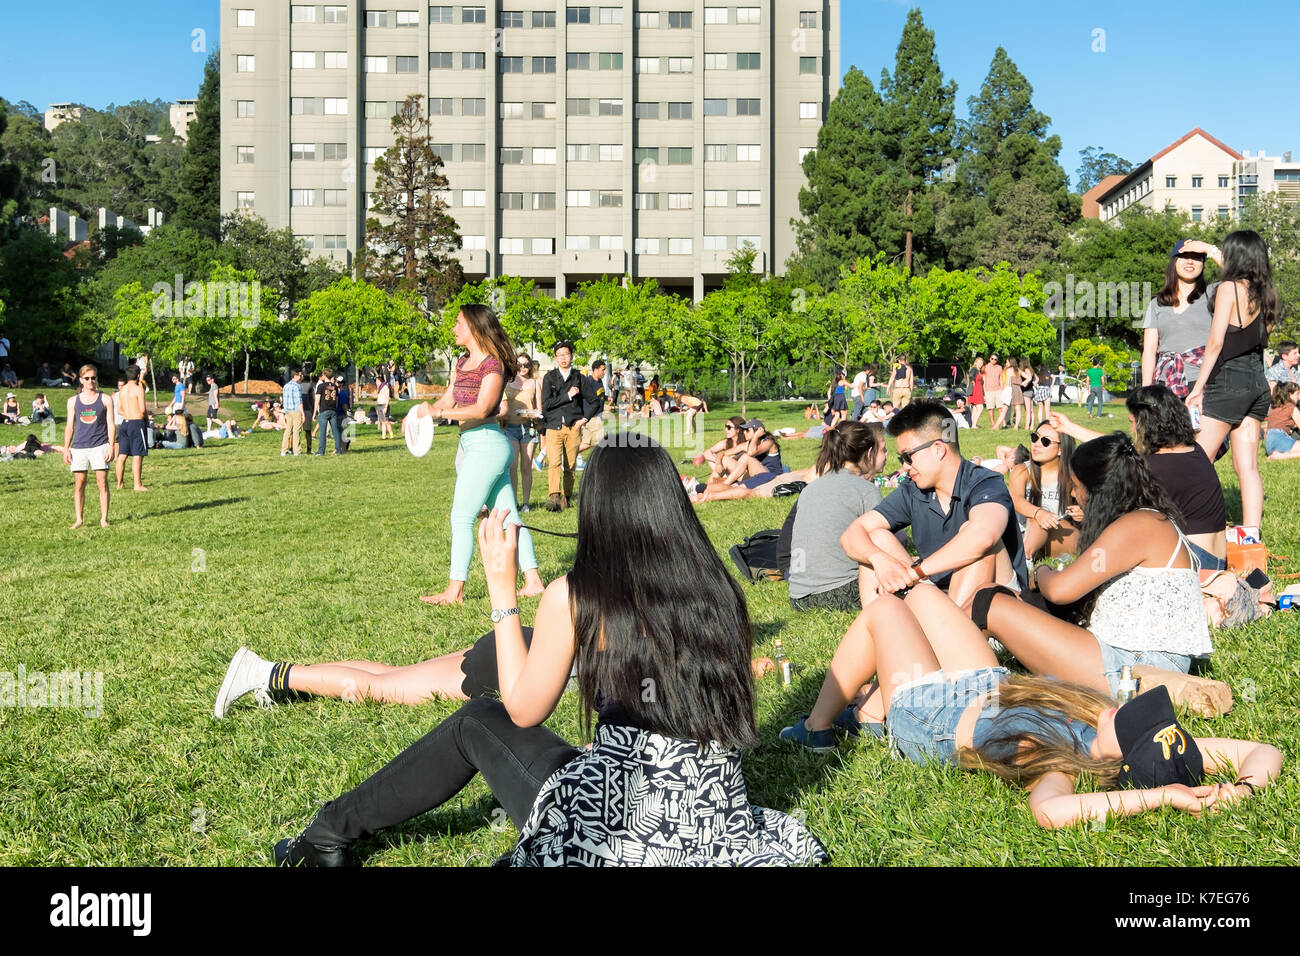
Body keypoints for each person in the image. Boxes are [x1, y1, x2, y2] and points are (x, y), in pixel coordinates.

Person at [241, 440, 827, 867]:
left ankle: (323, 839)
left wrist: (501, 590)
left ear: (597, 508)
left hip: (621, 831)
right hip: (712, 826)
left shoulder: (577, 596)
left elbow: (523, 711)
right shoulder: (719, 589)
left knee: (479, 718)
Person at [779, 587, 1280, 828]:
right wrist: (1243, 787)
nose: (1117, 710)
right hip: (989, 682)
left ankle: (817, 728)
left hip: (933, 715)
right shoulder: (1143, 742)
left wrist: (1163, 797)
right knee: (926, 597)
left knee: (885, 609)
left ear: (1120, 764)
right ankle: (868, 710)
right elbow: (1263, 750)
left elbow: (1052, 813)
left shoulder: (1060, 759)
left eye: (1125, 725)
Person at [971, 435, 1228, 711]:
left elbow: (1059, 590)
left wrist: (1041, 572)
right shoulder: (1148, 519)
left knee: (989, 603)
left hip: (1139, 669)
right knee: (1006, 597)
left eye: (1077, 486)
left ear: (1098, 490)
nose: (1072, 494)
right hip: (1133, 658)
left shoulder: (1140, 524)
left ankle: (968, 691)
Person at [414, 304, 546, 606]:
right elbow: (449, 396)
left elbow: (484, 408)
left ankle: (454, 592)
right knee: (509, 517)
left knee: (462, 516)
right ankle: (534, 581)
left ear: (474, 326)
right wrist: (427, 410)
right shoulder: (462, 362)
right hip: (475, 444)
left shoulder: (493, 365)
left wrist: (441, 413)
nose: (454, 328)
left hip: (487, 444)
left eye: (458, 323)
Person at [841, 400, 1029, 611]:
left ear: (938, 449)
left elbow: (983, 537)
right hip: (942, 594)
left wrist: (914, 572)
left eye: (908, 456)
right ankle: (880, 624)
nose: (904, 466)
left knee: (976, 539)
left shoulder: (984, 483)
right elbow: (852, 534)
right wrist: (879, 559)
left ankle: (951, 633)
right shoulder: (914, 490)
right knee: (876, 539)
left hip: (999, 603)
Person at [1053, 386, 1229, 572]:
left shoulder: (1155, 467)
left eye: (1132, 422)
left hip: (1197, 563)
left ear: (1146, 423)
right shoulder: (1192, 450)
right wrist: (1069, 427)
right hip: (1215, 558)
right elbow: (1121, 449)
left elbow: (1117, 456)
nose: (1132, 429)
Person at [1183, 231, 1277, 534]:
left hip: (1229, 382)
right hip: (1257, 384)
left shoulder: (1227, 288)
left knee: (1197, 459)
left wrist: (1197, 389)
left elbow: (1215, 343)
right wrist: (1209, 250)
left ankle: (1193, 526)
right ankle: (1251, 536)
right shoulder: (1266, 294)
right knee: (1247, 467)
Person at [788, 422, 888, 611]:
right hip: (839, 593)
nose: (887, 454)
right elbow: (886, 542)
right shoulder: (865, 490)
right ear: (868, 454)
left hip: (798, 597)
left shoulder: (810, 489)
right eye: (882, 449)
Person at [1141, 240, 1216, 399]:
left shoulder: (1213, 294)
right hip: (1166, 383)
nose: (1190, 261)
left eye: (1197, 257)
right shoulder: (1156, 304)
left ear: (1203, 263)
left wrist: (1210, 249)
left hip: (1206, 384)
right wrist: (1146, 390)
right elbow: (1149, 350)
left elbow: (1243, 277)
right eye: (1184, 256)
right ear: (1174, 262)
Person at [1007, 422, 1079, 561]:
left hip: (1059, 535)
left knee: (1041, 522)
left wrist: (1081, 513)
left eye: (1045, 441)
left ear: (1061, 450)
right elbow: (1015, 499)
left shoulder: (1073, 476)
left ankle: (1023, 560)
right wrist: (1038, 513)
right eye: (1035, 437)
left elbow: (1090, 505)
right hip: (1025, 534)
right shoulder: (1022, 470)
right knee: (1036, 521)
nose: (1037, 444)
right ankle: (1026, 559)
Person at [62, 364, 115, 529]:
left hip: (100, 445)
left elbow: (111, 425)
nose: (90, 381)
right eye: (87, 378)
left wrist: (112, 446)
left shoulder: (105, 399)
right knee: (79, 484)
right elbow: (69, 426)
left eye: (93, 378)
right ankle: (79, 519)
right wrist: (66, 448)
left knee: (102, 483)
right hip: (79, 447)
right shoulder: (73, 401)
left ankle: (104, 519)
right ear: (81, 380)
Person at [539, 341, 586, 512]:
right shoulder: (549, 377)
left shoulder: (579, 377)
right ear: (555, 358)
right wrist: (567, 395)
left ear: (571, 356)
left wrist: (584, 418)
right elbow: (546, 404)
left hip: (573, 427)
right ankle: (554, 496)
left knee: (570, 465)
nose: (563, 358)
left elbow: (591, 400)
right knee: (554, 462)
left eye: (566, 354)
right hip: (553, 426)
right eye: (560, 355)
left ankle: (567, 496)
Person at [502, 352, 542, 511]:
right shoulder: (507, 382)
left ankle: (526, 503)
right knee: (512, 466)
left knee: (526, 467)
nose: (523, 368)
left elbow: (539, 407)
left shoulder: (534, 383)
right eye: (519, 364)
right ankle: (514, 502)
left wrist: (536, 414)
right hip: (510, 427)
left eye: (526, 365)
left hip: (528, 428)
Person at [113, 364, 149, 492]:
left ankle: (119, 483)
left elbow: (119, 409)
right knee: (137, 454)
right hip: (136, 423)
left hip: (125, 423)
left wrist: (127, 414)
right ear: (138, 375)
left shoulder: (122, 390)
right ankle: (137, 484)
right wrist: (146, 419)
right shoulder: (138, 389)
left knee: (122, 455)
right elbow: (142, 409)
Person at [577, 359, 609, 464]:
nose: (604, 372)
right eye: (603, 370)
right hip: (592, 417)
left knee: (586, 444)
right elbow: (585, 399)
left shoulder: (599, 381)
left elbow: (599, 396)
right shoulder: (588, 382)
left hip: (597, 416)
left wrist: (607, 398)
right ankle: (600, 464)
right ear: (595, 370)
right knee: (603, 442)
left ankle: (568, 456)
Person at [1263, 382, 1300, 459]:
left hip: (1269, 442)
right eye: (1297, 394)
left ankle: (1278, 454)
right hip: (1280, 439)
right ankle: (1281, 456)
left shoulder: (1275, 407)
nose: (1299, 397)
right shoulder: (1291, 407)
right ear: (1290, 395)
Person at [314, 373, 343, 455]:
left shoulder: (321, 386)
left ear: (325, 375)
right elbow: (337, 400)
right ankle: (338, 450)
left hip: (324, 410)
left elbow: (317, 400)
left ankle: (321, 451)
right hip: (333, 410)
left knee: (322, 432)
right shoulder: (335, 387)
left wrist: (314, 412)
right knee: (335, 431)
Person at [280, 369, 305, 456]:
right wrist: (303, 414)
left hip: (288, 411)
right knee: (296, 431)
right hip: (296, 410)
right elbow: (299, 401)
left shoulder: (286, 386)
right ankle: (297, 451)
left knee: (288, 430)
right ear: (296, 376)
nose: (301, 377)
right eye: (300, 375)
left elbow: (284, 400)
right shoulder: (297, 386)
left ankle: (284, 450)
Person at [983, 354, 1004, 428]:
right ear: (989, 359)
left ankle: (1000, 422)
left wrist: (1002, 389)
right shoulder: (985, 367)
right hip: (989, 390)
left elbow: (1001, 378)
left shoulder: (999, 367)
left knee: (1000, 407)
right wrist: (984, 392)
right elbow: (984, 380)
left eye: (995, 359)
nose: (993, 360)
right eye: (992, 358)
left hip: (998, 390)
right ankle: (992, 423)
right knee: (990, 407)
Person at [967, 356, 985, 427]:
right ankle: (974, 424)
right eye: (979, 362)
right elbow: (971, 375)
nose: (980, 364)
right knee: (980, 408)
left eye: (981, 363)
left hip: (979, 390)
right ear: (976, 363)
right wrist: (973, 380)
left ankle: (972, 425)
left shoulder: (979, 370)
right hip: (975, 390)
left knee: (975, 409)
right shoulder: (974, 369)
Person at [375, 373, 394, 440]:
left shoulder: (385, 387)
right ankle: (383, 436)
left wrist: (385, 407)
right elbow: (378, 397)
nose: (376, 382)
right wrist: (377, 408)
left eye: (377, 381)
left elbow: (387, 397)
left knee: (386, 421)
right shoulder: (379, 388)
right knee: (382, 421)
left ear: (380, 380)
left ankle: (391, 435)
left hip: (384, 405)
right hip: (379, 405)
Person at [1019, 358, 1036, 430]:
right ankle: (1031, 426)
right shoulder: (1031, 370)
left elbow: (1028, 378)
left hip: (1027, 391)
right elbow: (1036, 379)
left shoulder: (1026, 370)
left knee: (1028, 410)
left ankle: (1027, 426)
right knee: (1031, 409)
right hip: (1031, 391)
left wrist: (1023, 383)